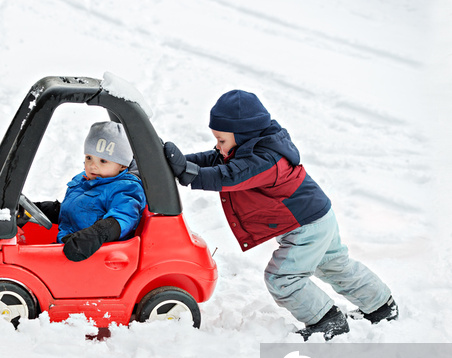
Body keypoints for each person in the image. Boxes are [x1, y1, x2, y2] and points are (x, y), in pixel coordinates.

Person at [163, 89, 397, 340]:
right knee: (334, 265)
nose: (218, 147)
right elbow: (216, 159)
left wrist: (190, 174)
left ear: (243, 135)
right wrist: (183, 163)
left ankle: (327, 320)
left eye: (221, 141)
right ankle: (382, 306)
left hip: (307, 226)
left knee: (282, 278)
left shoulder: (267, 159)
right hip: (317, 217)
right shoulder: (251, 145)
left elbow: (229, 175)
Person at [28, 121, 146, 262]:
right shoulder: (84, 180)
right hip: (68, 249)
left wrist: (95, 235)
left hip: (96, 258)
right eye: (89, 157)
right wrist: (36, 209)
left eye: (103, 161)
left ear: (122, 165)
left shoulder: (125, 188)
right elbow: (76, 210)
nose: (92, 166)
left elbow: (123, 218)